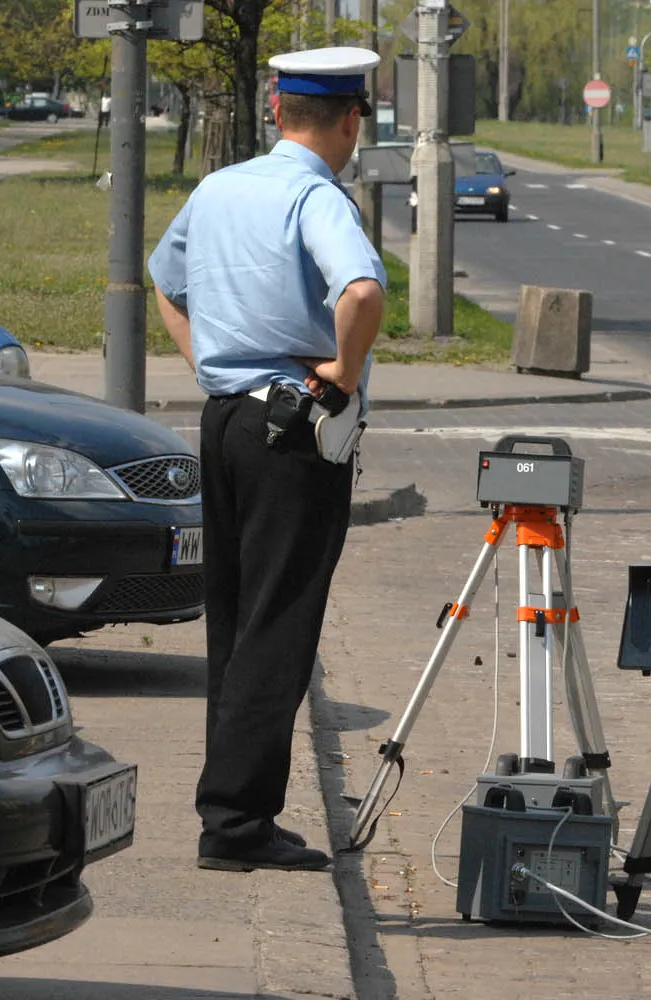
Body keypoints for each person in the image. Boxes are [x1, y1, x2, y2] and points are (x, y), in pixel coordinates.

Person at [147, 46, 386, 873]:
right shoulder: (314, 196)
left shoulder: (220, 188)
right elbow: (360, 292)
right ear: (350, 119)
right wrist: (342, 376)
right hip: (293, 428)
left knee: (235, 616)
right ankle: (238, 822)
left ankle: (231, 809)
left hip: (225, 422)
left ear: (279, 110)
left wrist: (208, 363)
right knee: (279, 624)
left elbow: (165, 280)